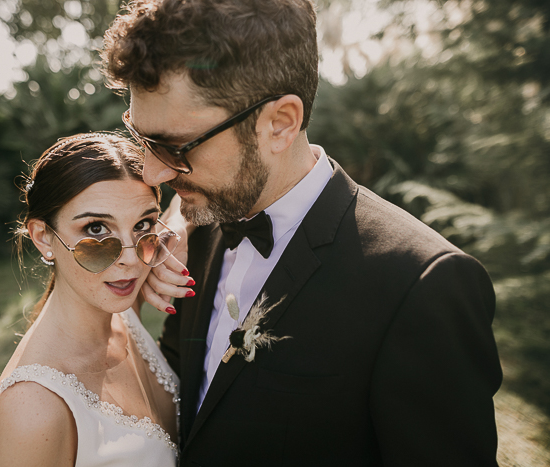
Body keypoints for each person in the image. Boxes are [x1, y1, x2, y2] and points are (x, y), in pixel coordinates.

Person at [101, 0, 503, 465]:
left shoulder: (420, 286)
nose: (151, 172)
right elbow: (182, 392)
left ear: (280, 123)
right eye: (141, 137)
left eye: (173, 147)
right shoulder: (199, 226)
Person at [0, 133, 193, 467]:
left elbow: (184, 200)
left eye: (143, 224)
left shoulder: (122, 312)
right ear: (42, 237)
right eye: (96, 229)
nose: (131, 260)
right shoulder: (33, 408)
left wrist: (175, 233)